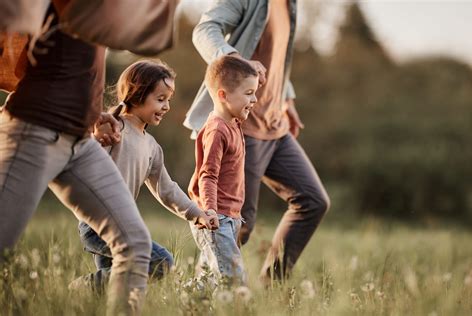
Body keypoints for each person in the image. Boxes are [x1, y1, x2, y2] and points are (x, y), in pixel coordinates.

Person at [0, 4, 149, 315]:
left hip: (79, 141)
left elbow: (76, 65)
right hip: (34, 130)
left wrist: (93, 114)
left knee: (134, 245)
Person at [184, 0, 331, 282]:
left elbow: (277, 58)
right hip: (242, 129)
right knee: (237, 224)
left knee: (313, 201)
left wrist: (286, 98)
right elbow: (204, 29)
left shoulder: (290, 5)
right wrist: (235, 60)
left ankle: (271, 287)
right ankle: (202, 297)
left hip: (275, 126)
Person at [73, 60, 219, 292]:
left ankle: (86, 295)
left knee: (115, 291)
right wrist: (95, 133)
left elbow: (166, 189)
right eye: (160, 99)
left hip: (122, 222)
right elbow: (83, 162)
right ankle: (81, 288)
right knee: (160, 262)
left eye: (168, 100)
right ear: (137, 94)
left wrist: (196, 213)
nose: (167, 106)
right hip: (97, 223)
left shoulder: (152, 147)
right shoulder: (113, 129)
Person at [188, 55, 259, 285]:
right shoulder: (217, 130)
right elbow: (207, 174)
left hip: (230, 217)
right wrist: (209, 209)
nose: (255, 99)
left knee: (207, 281)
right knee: (234, 281)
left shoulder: (234, 123)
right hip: (215, 217)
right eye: (249, 93)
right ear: (223, 95)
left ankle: (184, 304)